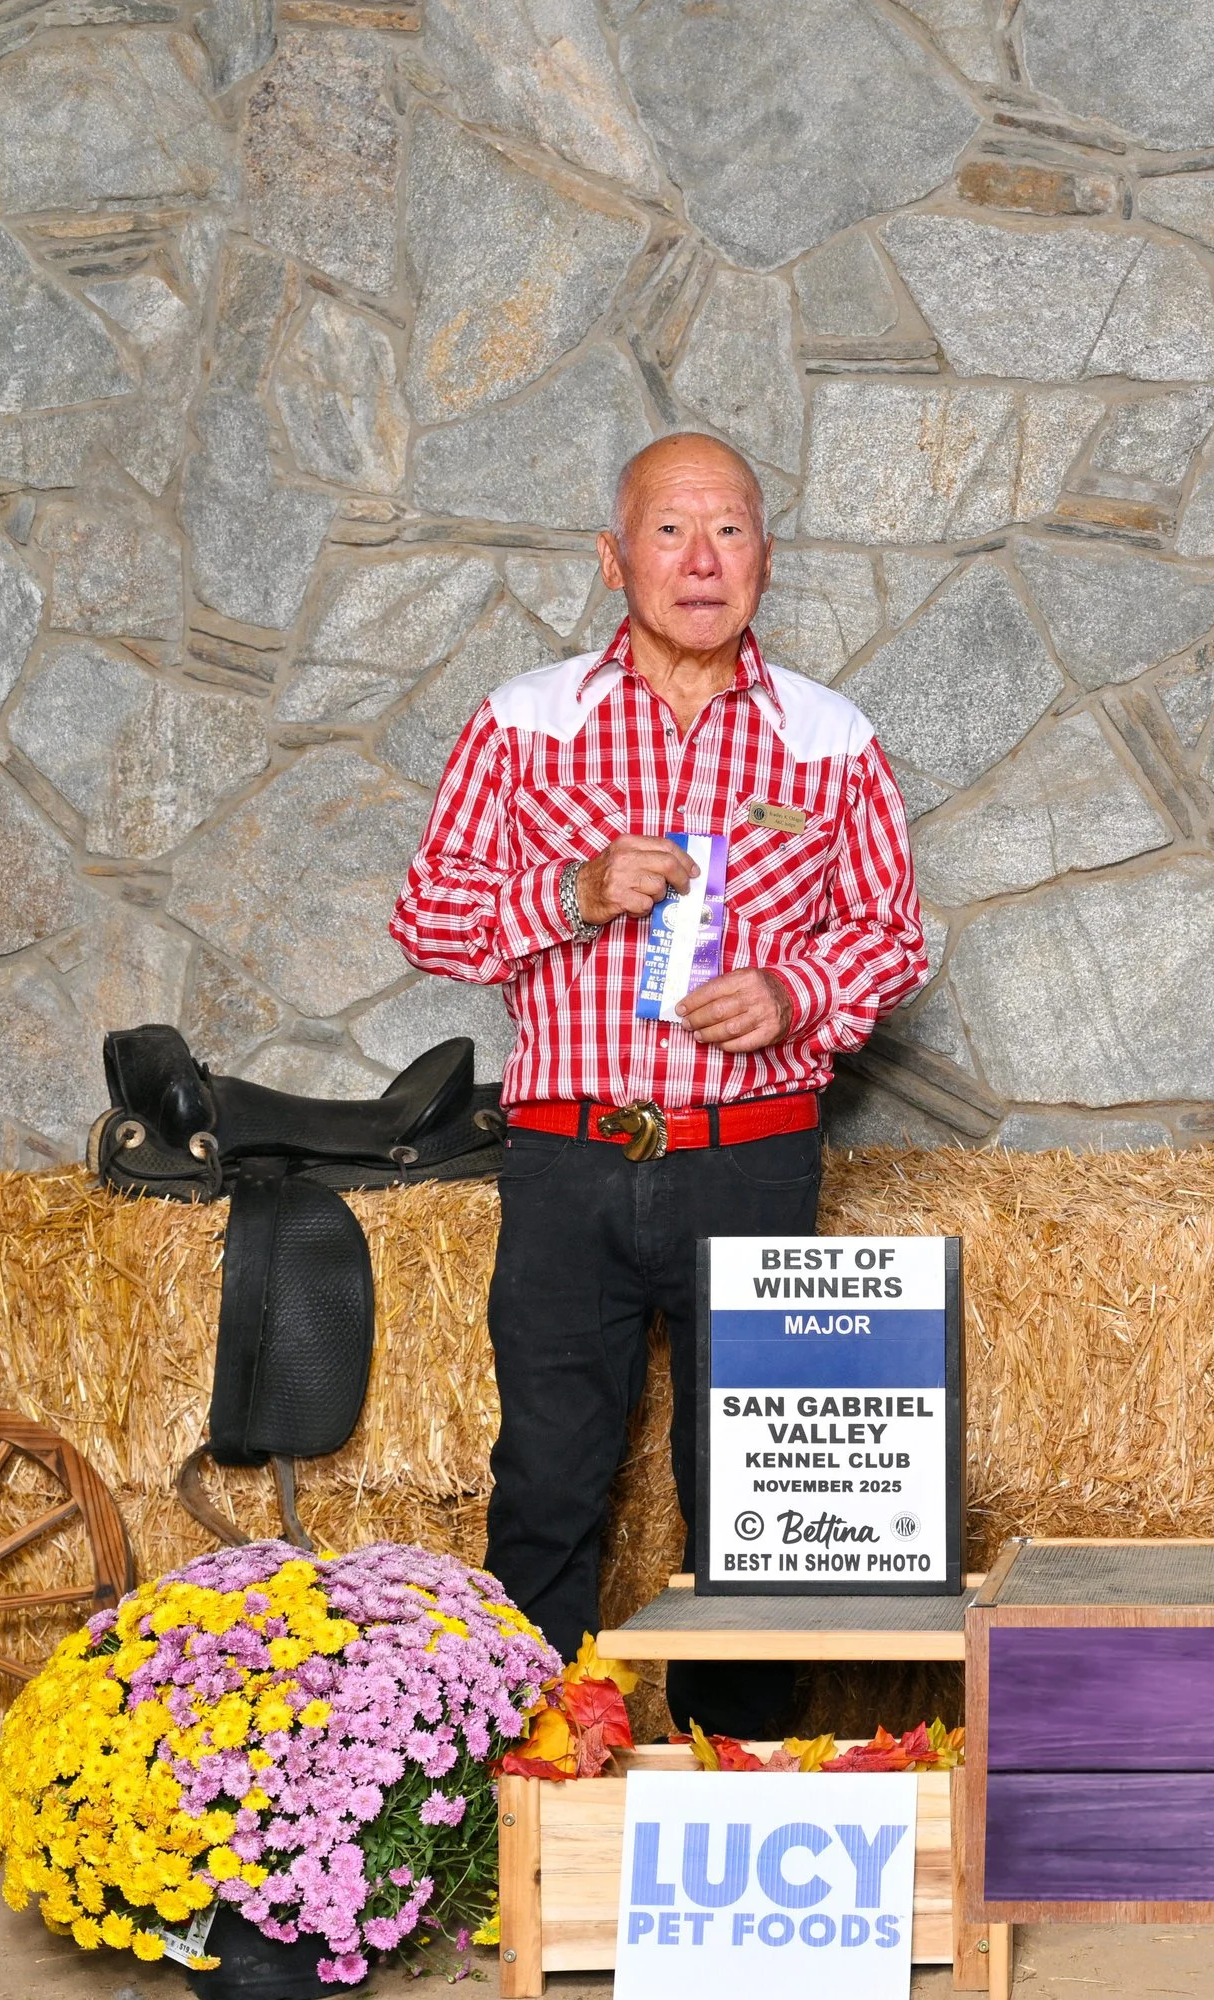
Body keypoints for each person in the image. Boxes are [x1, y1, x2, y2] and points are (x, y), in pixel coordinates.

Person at [392, 431, 927, 1732]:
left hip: (753, 1156)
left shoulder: (828, 740)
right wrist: (570, 892)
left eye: (730, 531)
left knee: (753, 1496)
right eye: (672, 532)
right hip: (571, 1163)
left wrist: (793, 991)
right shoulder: (524, 725)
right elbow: (429, 915)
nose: (702, 560)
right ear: (613, 557)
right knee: (549, 1485)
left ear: (766, 558)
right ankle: (530, 1792)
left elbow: (893, 934)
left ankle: (737, 1780)